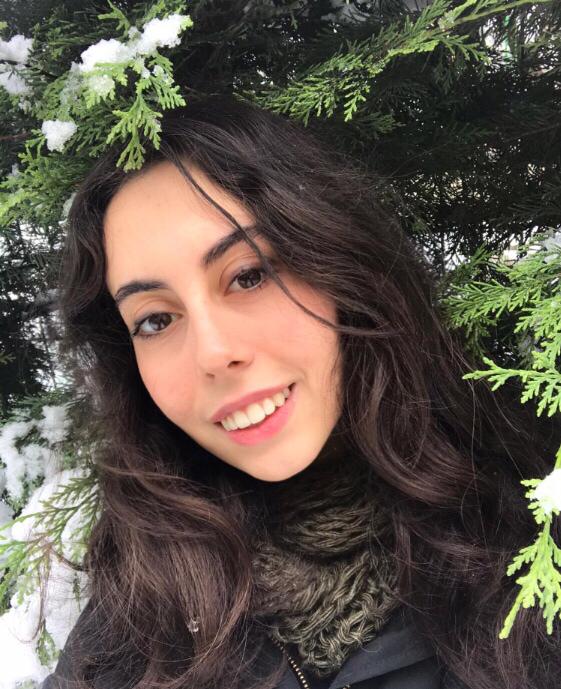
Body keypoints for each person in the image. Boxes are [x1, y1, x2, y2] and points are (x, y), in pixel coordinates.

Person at [41, 96, 560, 689]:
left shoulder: (531, 532)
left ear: (340, 266)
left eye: (249, 275)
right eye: (156, 320)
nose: (213, 352)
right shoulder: (142, 603)